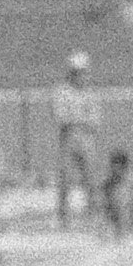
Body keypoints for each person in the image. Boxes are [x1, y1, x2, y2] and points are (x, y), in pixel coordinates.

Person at [50, 49, 104, 231]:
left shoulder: (91, 93)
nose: (81, 76)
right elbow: (60, 117)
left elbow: (95, 119)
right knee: (65, 179)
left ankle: (93, 214)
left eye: (83, 72)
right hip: (69, 138)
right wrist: (80, 118)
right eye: (77, 73)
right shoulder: (62, 91)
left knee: (91, 179)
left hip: (87, 139)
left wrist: (77, 117)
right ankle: (63, 217)